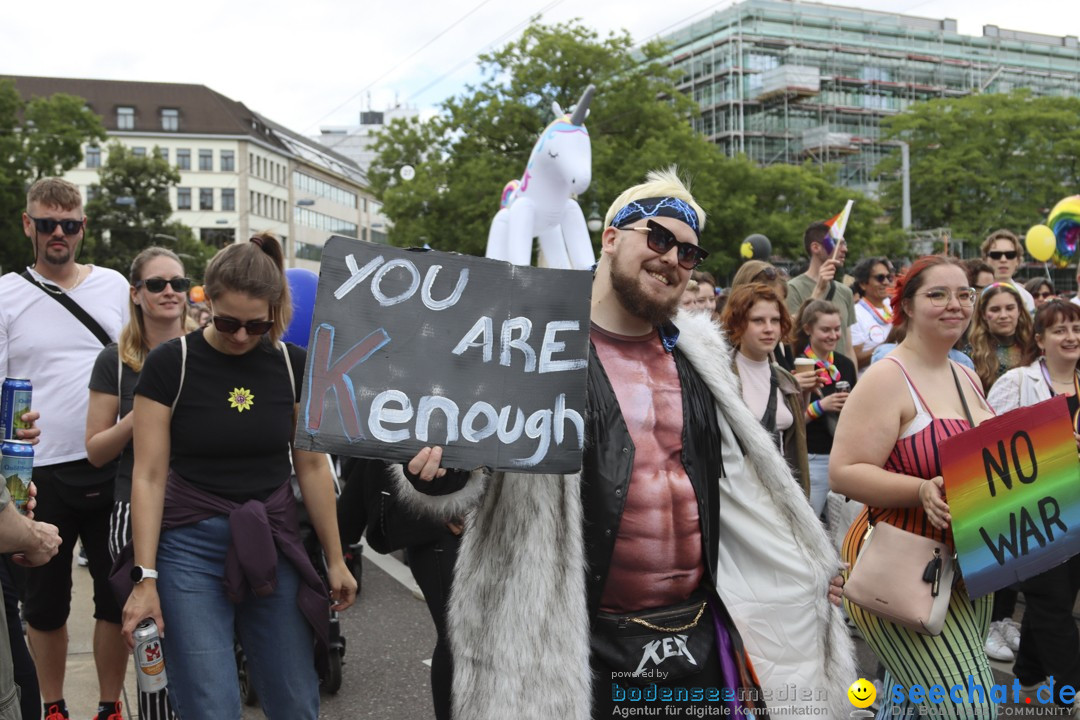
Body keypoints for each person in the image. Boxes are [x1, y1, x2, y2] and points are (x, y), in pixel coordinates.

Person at [391, 169, 855, 719]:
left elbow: (745, 486)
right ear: (610, 237)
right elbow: (473, 460)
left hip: (694, 630)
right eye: (657, 238)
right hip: (571, 640)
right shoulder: (531, 341)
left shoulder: (701, 357)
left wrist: (802, 565)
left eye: (688, 253)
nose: (672, 260)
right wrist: (437, 473)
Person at [120, 234, 357, 720]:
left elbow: (312, 466)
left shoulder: (293, 367)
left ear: (275, 312)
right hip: (189, 548)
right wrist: (145, 578)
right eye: (228, 323)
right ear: (205, 300)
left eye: (257, 325)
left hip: (272, 538)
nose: (243, 337)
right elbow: (147, 475)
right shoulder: (172, 363)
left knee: (295, 698)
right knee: (211, 704)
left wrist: (336, 559)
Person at [832, 255, 998, 718]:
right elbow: (844, 471)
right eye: (938, 295)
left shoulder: (964, 373)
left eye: (964, 294)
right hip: (904, 572)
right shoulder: (887, 377)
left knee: (910, 710)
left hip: (972, 569)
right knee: (972, 711)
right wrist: (919, 489)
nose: (955, 305)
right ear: (904, 305)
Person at [0, 177, 131, 720]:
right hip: (36, 473)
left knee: (115, 597)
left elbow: (143, 362)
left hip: (111, 462)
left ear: (83, 227)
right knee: (46, 606)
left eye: (69, 224)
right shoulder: (6, 293)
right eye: (47, 223)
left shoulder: (115, 286)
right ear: (28, 225)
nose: (59, 234)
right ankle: (52, 706)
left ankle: (108, 706)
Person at [85, 248, 192, 720]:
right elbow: (96, 449)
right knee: (149, 634)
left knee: (198, 632)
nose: (169, 291)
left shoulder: (206, 351)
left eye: (178, 282)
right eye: (156, 284)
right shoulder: (116, 361)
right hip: (134, 507)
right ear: (136, 294)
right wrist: (140, 415)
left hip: (197, 504)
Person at [986, 299, 1080, 714]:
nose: (1071, 336)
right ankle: (1071, 692)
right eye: (1060, 330)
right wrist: (1052, 447)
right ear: (1040, 341)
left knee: (1053, 603)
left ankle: (1027, 677)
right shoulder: (1018, 382)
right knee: (1053, 603)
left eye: (1076, 327)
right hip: (1038, 512)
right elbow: (989, 446)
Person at [721, 283, 810, 498]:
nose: (769, 328)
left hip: (782, 495)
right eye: (758, 321)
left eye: (775, 320)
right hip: (736, 497)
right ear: (738, 324)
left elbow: (795, 446)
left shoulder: (785, 380)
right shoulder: (720, 377)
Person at [794, 299, 856, 519]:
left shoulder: (845, 364)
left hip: (843, 457)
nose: (833, 335)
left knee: (842, 527)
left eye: (837, 329)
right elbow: (790, 422)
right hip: (813, 457)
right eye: (825, 330)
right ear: (808, 329)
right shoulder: (796, 363)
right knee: (811, 524)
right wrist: (820, 407)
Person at [785, 221, 855, 357]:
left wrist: (853, 376)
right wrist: (818, 291)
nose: (844, 249)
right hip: (809, 373)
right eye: (836, 242)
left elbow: (848, 348)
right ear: (816, 247)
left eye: (844, 243)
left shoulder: (845, 292)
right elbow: (789, 334)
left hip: (841, 374)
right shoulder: (792, 288)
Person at [966, 282, 1034, 395]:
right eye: (995, 309)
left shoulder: (1035, 348)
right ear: (983, 314)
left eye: (1010, 308)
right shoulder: (971, 354)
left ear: (1019, 310)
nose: (1003, 315)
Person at [850, 257, 895, 373]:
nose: (886, 282)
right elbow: (855, 361)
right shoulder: (856, 313)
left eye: (888, 277)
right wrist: (888, 342)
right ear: (863, 284)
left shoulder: (891, 306)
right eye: (880, 278)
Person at [981, 229, 1035, 313]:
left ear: (1017, 260)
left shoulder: (1026, 297)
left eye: (1010, 255)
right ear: (985, 259)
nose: (1003, 260)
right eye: (996, 255)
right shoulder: (976, 296)